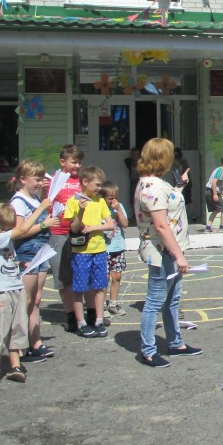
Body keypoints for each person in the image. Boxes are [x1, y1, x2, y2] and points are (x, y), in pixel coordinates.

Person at [135, 138, 200, 367]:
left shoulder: (155, 183)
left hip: (169, 250)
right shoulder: (151, 186)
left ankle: (175, 343)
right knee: (155, 301)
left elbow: (167, 206)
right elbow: (161, 225)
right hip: (162, 251)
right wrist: (178, 255)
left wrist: (179, 187)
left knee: (172, 299)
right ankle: (148, 350)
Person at [0, 199, 51, 386]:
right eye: (2, 227)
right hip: (0, 292)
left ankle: (15, 366)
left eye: (7, 229)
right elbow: (22, 230)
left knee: (17, 329)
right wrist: (41, 208)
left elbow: (6, 258)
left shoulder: (2, 238)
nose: (5, 232)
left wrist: (20, 264)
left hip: (15, 288)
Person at [9, 160, 59, 363]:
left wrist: (45, 198)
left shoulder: (35, 198)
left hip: (40, 251)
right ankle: (19, 347)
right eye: (36, 179)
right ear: (23, 179)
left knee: (36, 300)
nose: (40, 183)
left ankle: (35, 343)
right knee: (25, 301)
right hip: (27, 253)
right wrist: (44, 225)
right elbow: (18, 232)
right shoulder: (18, 201)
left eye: (41, 179)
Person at [64, 166, 115, 338]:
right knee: (79, 287)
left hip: (99, 249)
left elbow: (110, 224)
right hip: (81, 251)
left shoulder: (100, 201)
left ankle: (98, 320)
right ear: (85, 182)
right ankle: (81, 323)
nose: (100, 188)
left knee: (100, 286)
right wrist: (81, 210)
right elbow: (74, 228)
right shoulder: (73, 201)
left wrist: (94, 227)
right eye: (97, 185)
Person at [48, 144, 85, 332]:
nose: (77, 166)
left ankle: (84, 315)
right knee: (64, 278)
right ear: (63, 162)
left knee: (80, 275)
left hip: (80, 233)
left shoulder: (82, 181)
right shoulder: (53, 181)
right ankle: (70, 315)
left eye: (79, 162)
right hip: (59, 232)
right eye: (73, 162)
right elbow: (45, 203)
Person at [102, 182, 129, 320]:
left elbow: (125, 224)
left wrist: (118, 209)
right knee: (104, 278)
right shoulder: (100, 208)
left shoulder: (119, 207)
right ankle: (101, 305)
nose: (113, 201)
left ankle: (113, 303)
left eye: (116, 198)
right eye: (110, 198)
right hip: (104, 248)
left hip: (118, 246)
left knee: (117, 276)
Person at [204, 153, 223, 232]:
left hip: (209, 191)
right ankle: (222, 227)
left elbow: (220, 185)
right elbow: (214, 183)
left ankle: (208, 228)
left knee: (216, 209)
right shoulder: (221, 171)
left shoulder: (222, 171)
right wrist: (215, 194)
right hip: (211, 191)